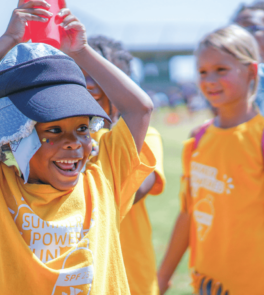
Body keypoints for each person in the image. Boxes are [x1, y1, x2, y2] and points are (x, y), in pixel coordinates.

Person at [0, 1, 156, 294]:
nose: (73, 142)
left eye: (83, 128)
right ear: (18, 137)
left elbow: (141, 109)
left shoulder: (104, 179)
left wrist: (80, 52)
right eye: (53, 130)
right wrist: (8, 40)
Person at [158, 24, 264, 295]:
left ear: (251, 72)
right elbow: (188, 213)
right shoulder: (197, 140)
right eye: (202, 72)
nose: (210, 80)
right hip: (210, 285)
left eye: (221, 70)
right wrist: (162, 278)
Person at [86, 35, 166, 295]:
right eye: (81, 75)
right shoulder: (61, 142)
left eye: (100, 77)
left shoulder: (146, 137)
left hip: (133, 281)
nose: (89, 87)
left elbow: (137, 188)